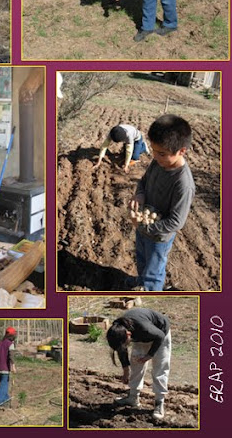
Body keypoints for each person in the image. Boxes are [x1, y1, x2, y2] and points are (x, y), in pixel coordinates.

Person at [129, 115, 195, 291]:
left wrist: (145, 227)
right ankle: (141, 283)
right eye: (153, 150)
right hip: (144, 228)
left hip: (159, 238)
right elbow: (144, 181)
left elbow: (176, 222)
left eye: (161, 153)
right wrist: (140, 195)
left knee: (154, 271)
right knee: (142, 260)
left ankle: (151, 291)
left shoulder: (183, 184)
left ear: (181, 151)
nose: (155, 156)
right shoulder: (158, 162)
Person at [107, 308, 171, 420]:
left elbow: (159, 335)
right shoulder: (117, 330)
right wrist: (126, 370)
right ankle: (133, 398)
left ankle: (159, 402)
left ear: (128, 335)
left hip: (160, 334)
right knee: (136, 365)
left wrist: (149, 356)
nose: (124, 346)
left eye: (125, 343)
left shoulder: (144, 328)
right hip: (140, 336)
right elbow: (121, 348)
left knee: (159, 368)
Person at [0, 327, 17, 407]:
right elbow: (11, 356)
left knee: (4, 382)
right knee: (4, 383)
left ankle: (5, 398)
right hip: (5, 367)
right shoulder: (10, 344)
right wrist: (13, 366)